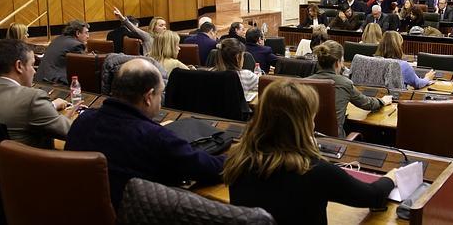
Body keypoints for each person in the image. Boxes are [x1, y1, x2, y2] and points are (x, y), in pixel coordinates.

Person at [224, 79, 395, 225]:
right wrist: (391, 178)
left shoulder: (238, 159)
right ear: (302, 124)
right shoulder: (316, 171)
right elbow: (373, 196)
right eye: (311, 118)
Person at [65, 58, 224, 208]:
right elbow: (210, 168)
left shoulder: (83, 120)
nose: (161, 100)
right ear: (148, 97)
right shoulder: (155, 137)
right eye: (160, 93)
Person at [0, 39, 76, 148]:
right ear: (19, 66)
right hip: (33, 163)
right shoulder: (32, 98)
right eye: (32, 65)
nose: (34, 71)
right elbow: (76, 133)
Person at [308, 41, 382, 137]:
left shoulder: (303, 82)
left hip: (308, 140)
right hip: (336, 143)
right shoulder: (345, 83)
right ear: (337, 63)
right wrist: (382, 101)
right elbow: (368, 104)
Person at [34, 20, 89, 84]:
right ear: (78, 33)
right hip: (55, 83)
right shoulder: (76, 45)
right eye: (86, 33)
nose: (88, 36)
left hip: (40, 79)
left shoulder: (57, 39)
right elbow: (84, 67)